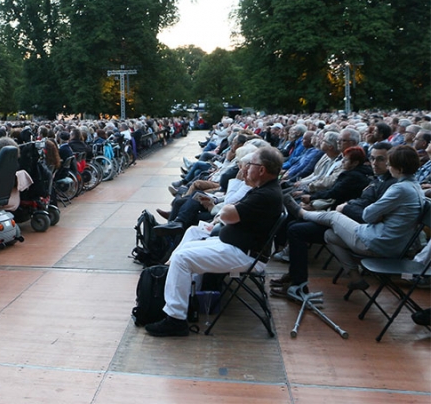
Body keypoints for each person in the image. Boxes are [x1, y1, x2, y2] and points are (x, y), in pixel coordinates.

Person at [145, 146, 284, 337]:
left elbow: (227, 214)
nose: (245, 169)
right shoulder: (263, 190)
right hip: (237, 247)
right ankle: (188, 304)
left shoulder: (265, 195)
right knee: (184, 249)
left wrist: (228, 207)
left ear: (261, 170)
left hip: (245, 255)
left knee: (182, 258)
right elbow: (230, 210)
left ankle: (175, 320)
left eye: (250, 165)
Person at [296, 144, 424, 291]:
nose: (387, 166)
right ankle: (355, 277)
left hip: (379, 243)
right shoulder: (415, 185)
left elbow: (368, 215)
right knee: (329, 235)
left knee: (333, 216)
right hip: (393, 244)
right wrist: (380, 215)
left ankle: (303, 213)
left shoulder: (399, 188)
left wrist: (377, 214)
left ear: (399, 169)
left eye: (389, 163)